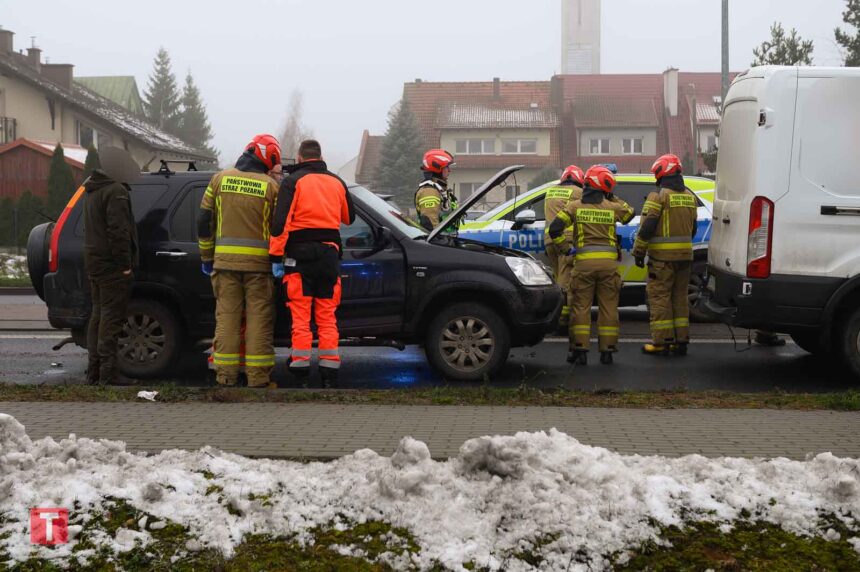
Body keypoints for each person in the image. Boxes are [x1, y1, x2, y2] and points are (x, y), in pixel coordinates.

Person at [269, 139, 355, 388]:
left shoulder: (293, 182)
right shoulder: (336, 181)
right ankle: (329, 370)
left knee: (301, 317)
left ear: (299, 157)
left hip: (300, 258)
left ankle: (301, 368)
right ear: (320, 156)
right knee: (327, 317)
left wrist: (276, 257)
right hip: (329, 256)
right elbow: (348, 217)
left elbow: (280, 224)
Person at [198, 134, 281, 388]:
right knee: (258, 321)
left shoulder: (219, 179)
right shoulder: (270, 186)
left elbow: (203, 221)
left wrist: (206, 256)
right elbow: (278, 227)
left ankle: (225, 377)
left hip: (224, 265)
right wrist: (278, 260)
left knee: (227, 319)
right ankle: (258, 379)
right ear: (268, 158)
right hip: (259, 268)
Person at [548, 165, 634, 365]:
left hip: (583, 267)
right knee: (609, 308)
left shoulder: (575, 206)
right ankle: (607, 352)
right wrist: (611, 199)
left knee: (580, 308)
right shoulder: (612, 207)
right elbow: (630, 213)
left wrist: (565, 249)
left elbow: (555, 229)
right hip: (609, 268)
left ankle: (580, 351)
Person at [83, 147, 140, 386]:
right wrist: (124, 264)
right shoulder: (115, 191)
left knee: (98, 316)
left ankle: (93, 372)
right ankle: (108, 374)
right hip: (111, 264)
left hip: (94, 261)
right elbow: (118, 231)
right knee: (111, 318)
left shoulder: (92, 189)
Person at [632, 154, 698, 356]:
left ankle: (661, 342)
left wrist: (639, 251)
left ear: (662, 172)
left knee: (660, 299)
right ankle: (681, 341)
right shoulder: (689, 196)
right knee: (679, 299)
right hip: (685, 258)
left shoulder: (658, 196)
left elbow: (647, 227)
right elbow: (693, 229)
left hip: (662, 260)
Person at [543, 165, 584, 327]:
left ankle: (557, 314)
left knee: (558, 277)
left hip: (549, 240)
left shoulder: (550, 191)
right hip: (567, 240)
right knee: (566, 282)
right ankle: (561, 319)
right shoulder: (578, 192)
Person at [415, 149, 456, 230]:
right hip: (440, 241)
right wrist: (441, 241)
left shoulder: (438, 189)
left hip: (446, 239)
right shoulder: (429, 192)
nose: (449, 170)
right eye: (447, 167)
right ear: (437, 168)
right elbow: (430, 225)